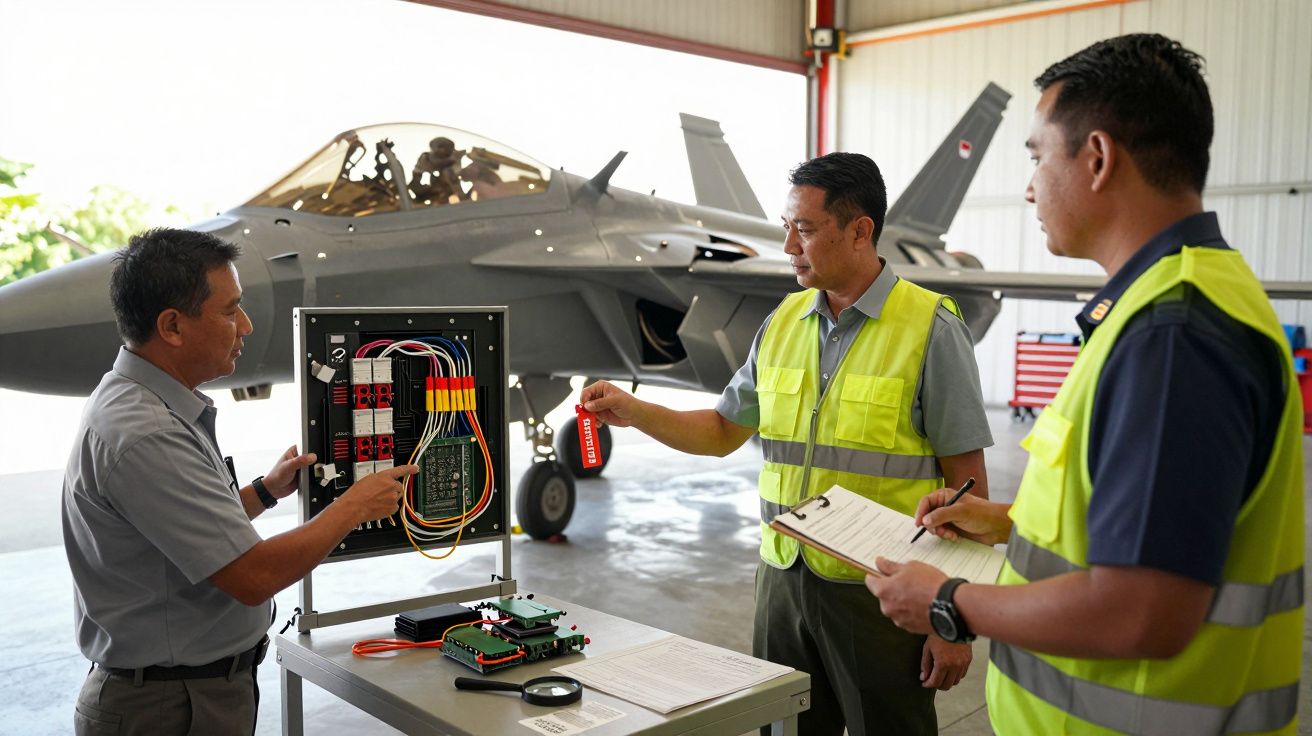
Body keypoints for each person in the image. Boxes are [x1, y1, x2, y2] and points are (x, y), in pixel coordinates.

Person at [867, 34, 1303, 736]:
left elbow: (1143, 611)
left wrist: (949, 599)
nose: (1031, 185)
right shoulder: (1181, 297)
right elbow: (1154, 525)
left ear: (1096, 158)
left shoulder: (1173, 337)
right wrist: (1008, 521)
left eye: (1039, 156)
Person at [580, 152, 994, 735]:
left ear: (859, 231)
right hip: (783, 584)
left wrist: (948, 618)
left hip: (880, 594)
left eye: (804, 229)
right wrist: (635, 409)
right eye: (786, 229)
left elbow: (967, 487)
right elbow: (724, 432)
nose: (789, 247)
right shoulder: (781, 323)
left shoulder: (932, 329)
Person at [62, 228, 419, 735]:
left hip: (184, 694)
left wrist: (265, 492)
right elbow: (251, 578)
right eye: (230, 311)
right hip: (168, 709)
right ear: (172, 326)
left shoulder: (138, 403)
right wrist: (354, 506)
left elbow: (182, 533)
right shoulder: (147, 433)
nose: (246, 326)